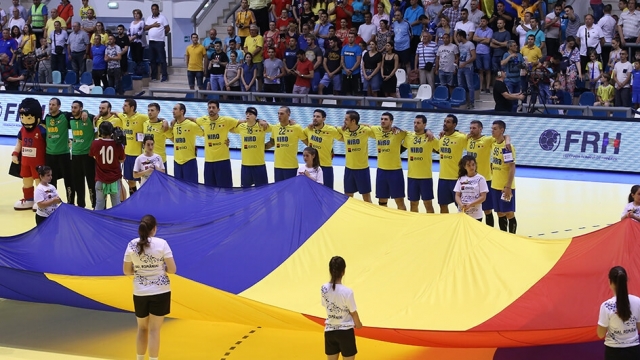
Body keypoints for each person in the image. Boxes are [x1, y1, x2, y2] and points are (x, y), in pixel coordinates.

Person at [123, 215, 176, 360]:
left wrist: (140, 270)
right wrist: (159, 267)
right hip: (161, 291)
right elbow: (172, 269)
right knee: (154, 330)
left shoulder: (132, 245)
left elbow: (126, 271)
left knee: (142, 329)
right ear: (154, 229)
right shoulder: (162, 244)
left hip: (140, 292)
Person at [321, 256, 362, 360]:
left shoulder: (324, 288)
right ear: (343, 271)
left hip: (330, 331)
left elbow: (325, 304)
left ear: (330, 270)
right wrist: (358, 324)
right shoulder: (347, 292)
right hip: (345, 332)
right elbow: (353, 312)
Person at [597, 266, 640, 359]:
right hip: (634, 351)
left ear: (610, 282)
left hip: (613, 352)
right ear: (626, 281)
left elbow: (600, 334)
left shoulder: (606, 306)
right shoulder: (638, 302)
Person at [369, 112, 406, 210]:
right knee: (382, 201)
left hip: (395, 171)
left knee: (399, 200)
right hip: (381, 171)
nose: (383, 121)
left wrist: (428, 131)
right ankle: (384, 221)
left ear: (391, 122)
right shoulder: (376, 130)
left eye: (385, 119)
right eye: (381, 119)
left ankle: (403, 221)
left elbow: (415, 134)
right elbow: (364, 125)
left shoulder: (398, 133)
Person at [403, 115, 438, 213]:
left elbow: (440, 150)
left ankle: (431, 225)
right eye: (414, 123)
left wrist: (429, 131)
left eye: (418, 123)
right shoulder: (409, 136)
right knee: (413, 204)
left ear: (424, 124)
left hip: (425, 177)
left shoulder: (430, 138)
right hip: (412, 176)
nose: (415, 125)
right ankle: (415, 224)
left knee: (428, 204)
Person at [265, 106, 308, 181]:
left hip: (291, 166)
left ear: (288, 114)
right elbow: (272, 143)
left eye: (282, 114)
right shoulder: (275, 127)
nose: (279, 115)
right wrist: (259, 148)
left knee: (291, 191)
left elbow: (308, 142)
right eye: (278, 113)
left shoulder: (296, 128)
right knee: (279, 191)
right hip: (278, 166)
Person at [90, 121, 125, 210]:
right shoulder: (117, 145)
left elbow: (94, 156)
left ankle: (98, 223)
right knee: (116, 206)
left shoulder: (95, 143)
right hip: (114, 179)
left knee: (99, 205)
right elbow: (122, 160)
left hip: (100, 178)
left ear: (100, 132)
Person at [338, 110, 372, 202]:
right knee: (348, 195)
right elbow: (329, 128)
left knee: (366, 196)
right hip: (349, 168)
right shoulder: (343, 130)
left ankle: (369, 215)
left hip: (362, 169)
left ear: (353, 121)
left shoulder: (365, 130)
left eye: (346, 119)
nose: (344, 121)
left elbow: (379, 131)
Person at [304, 109, 343, 189]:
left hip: (325, 165)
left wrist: (337, 127)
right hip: (312, 165)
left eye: (318, 116)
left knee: (327, 191)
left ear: (324, 119)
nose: (315, 118)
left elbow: (343, 138)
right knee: (312, 190)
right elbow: (301, 135)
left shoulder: (331, 130)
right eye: (314, 116)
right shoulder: (309, 129)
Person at [231, 107, 269, 187]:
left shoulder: (261, 126)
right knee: (245, 190)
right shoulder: (242, 127)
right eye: (247, 114)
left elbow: (276, 128)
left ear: (255, 116)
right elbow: (229, 128)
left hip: (259, 165)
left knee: (262, 190)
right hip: (246, 165)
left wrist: (260, 121)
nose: (247, 115)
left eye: (250, 114)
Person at [490, 120, 517, 234]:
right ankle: (503, 235)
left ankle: (512, 237)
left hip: (505, 186)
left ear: (501, 130)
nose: (492, 130)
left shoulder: (506, 148)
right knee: (499, 212)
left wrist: (508, 187)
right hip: (495, 185)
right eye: (492, 128)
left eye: (495, 129)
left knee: (509, 212)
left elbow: (512, 167)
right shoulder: (493, 143)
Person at [437, 115, 467, 214]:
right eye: (444, 121)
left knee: (461, 206)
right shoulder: (441, 137)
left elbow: (472, 141)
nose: (445, 123)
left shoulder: (461, 137)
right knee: (442, 205)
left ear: (454, 125)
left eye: (448, 122)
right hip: (443, 178)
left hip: (457, 178)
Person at [69, 100, 96, 209]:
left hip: (88, 156)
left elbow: (98, 117)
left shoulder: (89, 118)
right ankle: (81, 206)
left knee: (91, 182)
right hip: (75, 155)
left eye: (75, 107)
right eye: (72, 107)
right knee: (78, 183)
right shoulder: (69, 119)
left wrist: (85, 112)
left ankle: (95, 205)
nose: (73, 110)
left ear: (81, 108)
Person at [170, 103, 203, 184]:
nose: (173, 111)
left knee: (192, 187)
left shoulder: (191, 125)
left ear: (182, 111)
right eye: (173, 109)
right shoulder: (174, 125)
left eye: (175, 109)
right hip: (177, 161)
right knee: (179, 187)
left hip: (189, 161)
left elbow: (205, 134)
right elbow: (175, 139)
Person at [454, 155, 488, 221]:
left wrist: (470, 205)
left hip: (476, 215)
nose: (471, 167)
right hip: (462, 214)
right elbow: (457, 195)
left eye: (473, 165)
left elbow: (483, 197)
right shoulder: (461, 179)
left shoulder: (481, 179)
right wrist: (461, 205)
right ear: (464, 167)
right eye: (468, 165)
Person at [144, 4, 170, 82]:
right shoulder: (149, 18)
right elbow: (145, 28)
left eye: (155, 9)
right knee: (152, 59)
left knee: (162, 59)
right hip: (151, 41)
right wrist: (153, 25)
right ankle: (154, 76)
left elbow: (167, 28)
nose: (154, 10)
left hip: (159, 41)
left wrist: (161, 33)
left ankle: (164, 76)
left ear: (158, 9)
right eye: (153, 9)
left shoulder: (162, 18)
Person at [143, 103, 172, 169]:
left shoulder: (163, 126)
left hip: (159, 160)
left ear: (158, 112)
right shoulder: (145, 123)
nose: (149, 112)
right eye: (148, 110)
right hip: (147, 160)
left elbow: (174, 140)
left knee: (161, 179)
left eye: (152, 110)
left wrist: (165, 121)